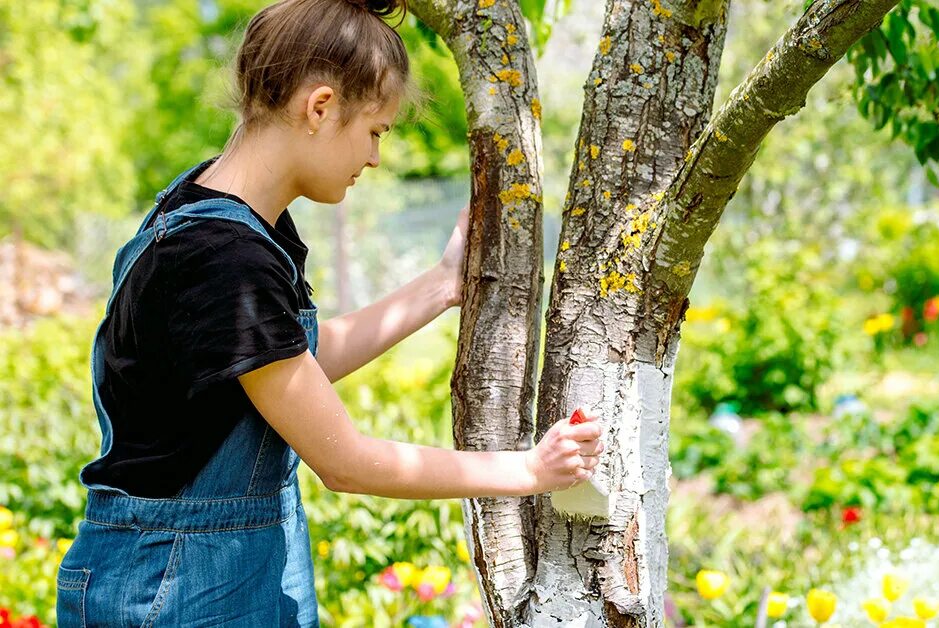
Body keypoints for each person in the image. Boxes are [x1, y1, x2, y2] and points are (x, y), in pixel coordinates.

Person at [55, 0, 603, 624]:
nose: (373, 158)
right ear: (319, 107)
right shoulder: (225, 257)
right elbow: (344, 461)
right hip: (178, 587)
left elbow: (288, 367)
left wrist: (442, 285)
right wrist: (530, 469)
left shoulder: (213, 214)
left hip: (196, 571)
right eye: (374, 132)